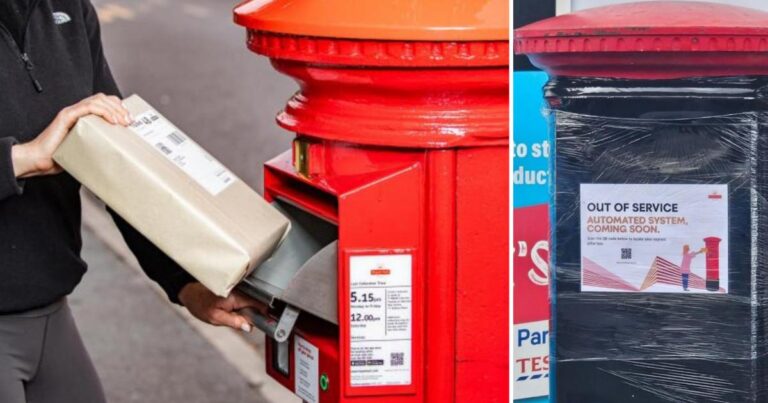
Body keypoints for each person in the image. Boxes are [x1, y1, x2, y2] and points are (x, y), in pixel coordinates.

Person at [0, 1, 265, 402]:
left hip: (49, 312)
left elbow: (120, 164)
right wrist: (22, 159)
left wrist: (184, 283)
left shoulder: (68, 9)